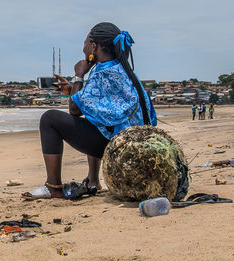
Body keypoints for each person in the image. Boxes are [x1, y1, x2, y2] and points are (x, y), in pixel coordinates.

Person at [23, 22, 157, 199]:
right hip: (136, 144)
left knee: (49, 118)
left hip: (119, 147)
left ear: (94, 46)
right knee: (95, 117)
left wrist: (79, 75)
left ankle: (53, 186)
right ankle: (93, 181)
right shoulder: (121, 69)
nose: (84, 48)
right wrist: (73, 89)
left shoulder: (103, 72)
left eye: (86, 42)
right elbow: (97, 105)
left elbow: (74, 110)